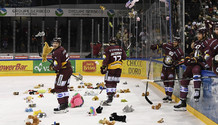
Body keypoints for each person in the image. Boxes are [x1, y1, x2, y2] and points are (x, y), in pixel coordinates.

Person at [174, 28, 209, 111]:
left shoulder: (207, 43)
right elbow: (194, 53)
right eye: (197, 34)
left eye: (199, 34)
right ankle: (182, 102)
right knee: (184, 78)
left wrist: (197, 59)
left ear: (204, 34)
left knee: (196, 70)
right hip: (194, 63)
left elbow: (207, 55)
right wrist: (189, 57)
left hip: (200, 64)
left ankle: (197, 90)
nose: (198, 36)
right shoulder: (196, 43)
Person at [150, 37, 184, 103]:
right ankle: (167, 95)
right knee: (164, 78)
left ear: (178, 43)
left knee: (170, 80)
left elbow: (182, 60)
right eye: (174, 41)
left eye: (176, 42)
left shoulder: (179, 51)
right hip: (164, 66)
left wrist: (177, 63)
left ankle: (170, 96)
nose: (174, 43)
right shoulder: (168, 45)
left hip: (171, 67)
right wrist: (155, 46)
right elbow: (161, 45)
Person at [50, 38, 73, 113]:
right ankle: (65, 103)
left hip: (63, 71)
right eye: (54, 43)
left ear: (59, 44)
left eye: (56, 43)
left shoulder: (56, 52)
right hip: (68, 70)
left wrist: (54, 67)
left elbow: (58, 65)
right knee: (64, 87)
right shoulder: (62, 49)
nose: (54, 44)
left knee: (59, 87)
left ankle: (62, 104)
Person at [100, 39, 127, 106]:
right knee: (114, 82)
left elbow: (106, 59)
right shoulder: (120, 48)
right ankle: (112, 95)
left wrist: (103, 67)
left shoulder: (108, 49)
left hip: (111, 68)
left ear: (110, 43)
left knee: (109, 82)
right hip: (119, 68)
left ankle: (109, 97)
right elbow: (124, 57)